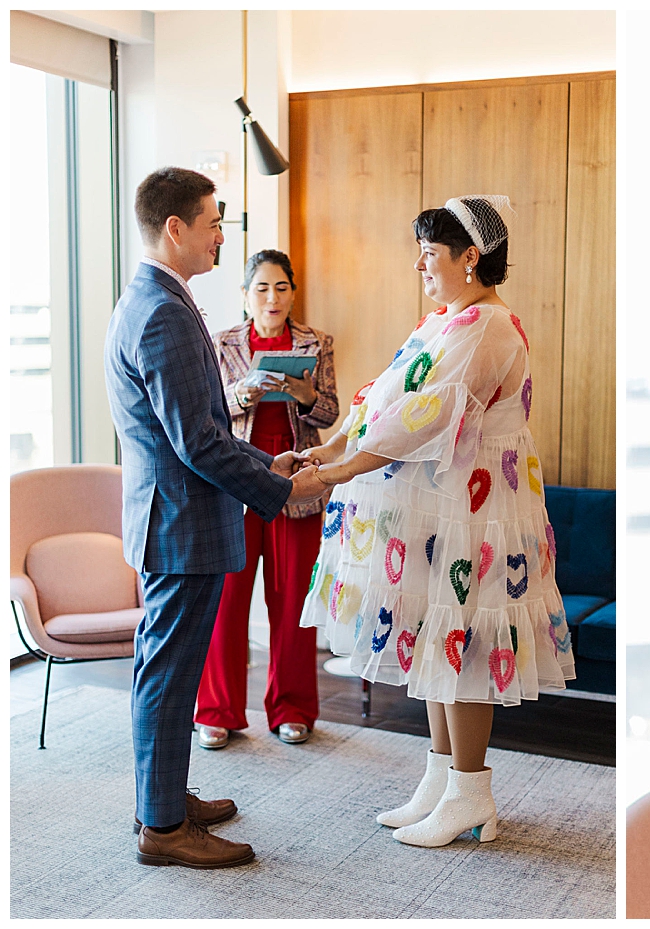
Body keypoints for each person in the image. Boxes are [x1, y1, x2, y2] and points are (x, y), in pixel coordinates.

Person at [298, 195, 574, 848]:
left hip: (477, 512)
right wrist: (328, 448)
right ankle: (442, 779)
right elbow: (383, 397)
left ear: (470, 257)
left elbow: (422, 418)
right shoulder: (444, 321)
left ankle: (471, 792)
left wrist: (336, 474)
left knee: (463, 646)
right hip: (440, 505)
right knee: (434, 639)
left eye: (430, 253)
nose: (420, 265)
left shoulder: (487, 327)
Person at [105, 166, 330, 868]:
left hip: (173, 518)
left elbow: (198, 427)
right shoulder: (165, 310)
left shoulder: (158, 299)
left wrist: (270, 467)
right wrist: (272, 487)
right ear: (176, 228)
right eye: (212, 221)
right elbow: (196, 440)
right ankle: (163, 826)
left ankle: (163, 797)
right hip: (179, 524)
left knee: (164, 670)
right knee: (169, 674)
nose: (220, 233)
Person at [194, 249, 338, 749]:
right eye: (262, 288)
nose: (272, 297)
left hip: (298, 478)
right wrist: (243, 396)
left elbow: (329, 414)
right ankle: (217, 710)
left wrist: (303, 396)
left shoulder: (316, 342)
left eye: (281, 287)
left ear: (293, 292)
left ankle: (292, 708)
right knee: (227, 601)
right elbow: (209, 415)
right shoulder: (221, 343)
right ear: (245, 295)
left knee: (294, 600)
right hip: (239, 475)